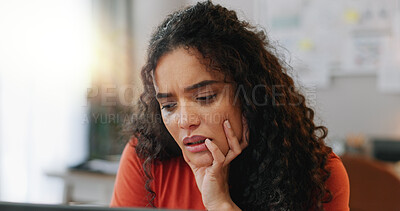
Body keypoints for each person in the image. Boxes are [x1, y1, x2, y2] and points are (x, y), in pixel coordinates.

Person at [111, 1, 350, 210]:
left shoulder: (317, 173)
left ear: (248, 96)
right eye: (169, 105)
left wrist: (220, 204)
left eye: (204, 97)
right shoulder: (145, 158)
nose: (185, 121)